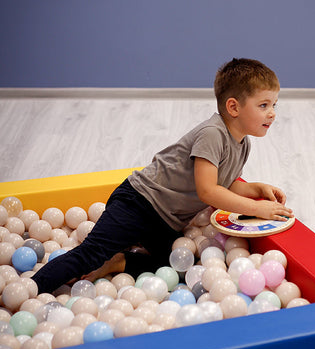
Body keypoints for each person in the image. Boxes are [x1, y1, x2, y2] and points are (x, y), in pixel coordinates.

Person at [31, 58, 294, 294]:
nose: (272, 113)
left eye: (274, 105)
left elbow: (225, 183)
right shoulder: (213, 133)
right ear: (233, 107)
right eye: (263, 105)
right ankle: (30, 288)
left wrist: (257, 189)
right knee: (89, 254)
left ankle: (117, 261)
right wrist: (258, 210)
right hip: (138, 203)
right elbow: (208, 191)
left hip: (165, 221)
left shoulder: (242, 143)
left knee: (178, 262)